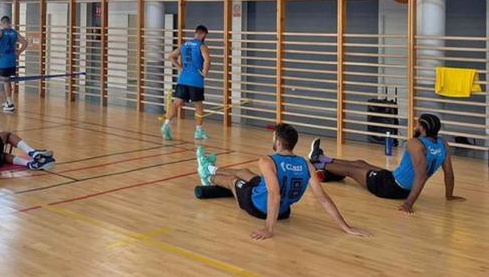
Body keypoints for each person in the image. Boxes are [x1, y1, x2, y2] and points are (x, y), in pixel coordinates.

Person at [196, 123, 368, 240]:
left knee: (233, 181)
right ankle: (212, 167)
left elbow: (274, 195)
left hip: (256, 205)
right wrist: (345, 227)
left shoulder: (267, 160)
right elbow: (322, 198)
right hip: (284, 212)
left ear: (277, 142)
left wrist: (269, 229)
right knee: (245, 172)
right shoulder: (306, 164)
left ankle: (206, 175)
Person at [308, 113, 464, 214]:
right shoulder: (442, 144)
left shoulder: (416, 143)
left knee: (351, 171)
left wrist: (408, 204)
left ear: (422, 128)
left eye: (417, 124)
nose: (415, 126)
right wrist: (449, 196)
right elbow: (449, 173)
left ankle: (317, 163)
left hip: (390, 187)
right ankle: (322, 157)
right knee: (360, 163)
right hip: (394, 179)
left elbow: (421, 176)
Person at [162, 25, 210, 141]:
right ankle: (198, 131)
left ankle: (166, 124)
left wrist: (180, 68)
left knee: (176, 103)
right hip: (196, 81)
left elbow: (171, 56)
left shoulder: (184, 45)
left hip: (182, 80)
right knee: (198, 106)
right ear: (203, 34)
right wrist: (205, 72)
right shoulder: (202, 46)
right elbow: (207, 60)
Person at [0, 15, 28, 112]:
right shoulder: (14, 33)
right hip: (12, 60)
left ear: (3, 23)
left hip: (4, 59)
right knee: (8, 80)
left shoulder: (0, 32)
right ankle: (8, 100)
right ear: (9, 23)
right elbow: (25, 43)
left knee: (5, 81)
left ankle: (9, 101)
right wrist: (18, 52)